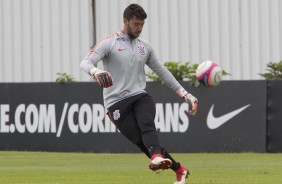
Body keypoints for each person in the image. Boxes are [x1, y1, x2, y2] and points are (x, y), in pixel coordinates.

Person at [80, 4, 198, 184]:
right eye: (136, 24)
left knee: (147, 126)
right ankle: (179, 170)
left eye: (142, 24)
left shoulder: (145, 47)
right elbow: (85, 63)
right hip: (115, 104)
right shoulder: (109, 43)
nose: (139, 28)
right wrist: (96, 72)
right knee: (143, 143)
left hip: (139, 97)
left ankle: (157, 157)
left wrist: (185, 94)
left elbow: (162, 72)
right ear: (125, 21)